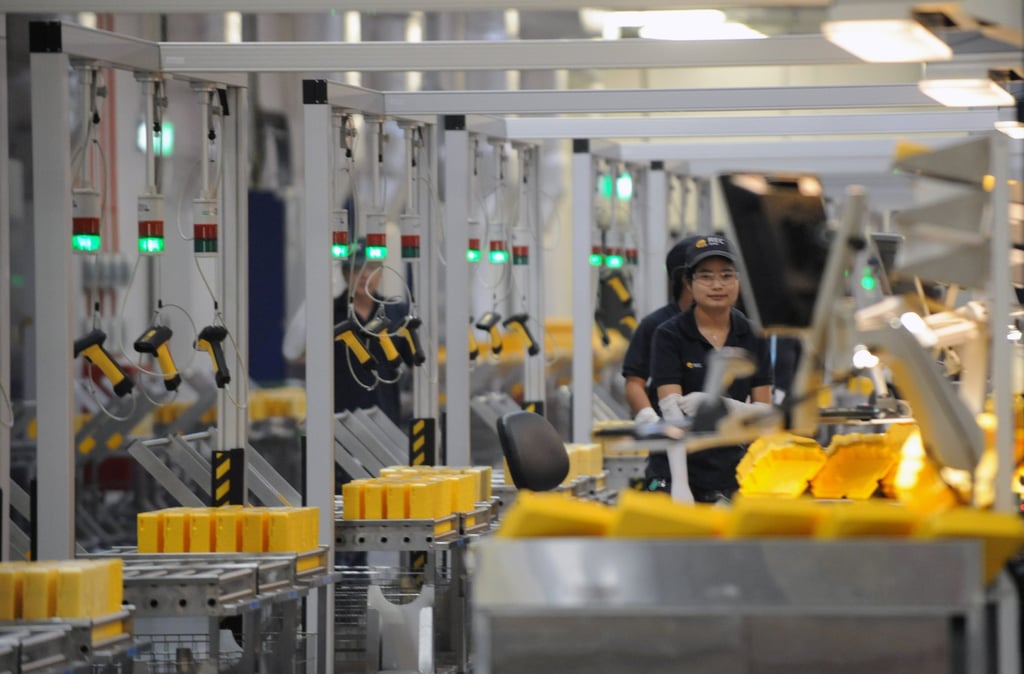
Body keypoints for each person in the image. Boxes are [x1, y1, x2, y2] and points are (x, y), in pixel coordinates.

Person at [648, 235, 773, 502]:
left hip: (731, 470)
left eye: (726, 275)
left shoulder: (753, 335)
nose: (717, 285)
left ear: (738, 281)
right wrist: (679, 483)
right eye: (706, 276)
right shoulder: (669, 334)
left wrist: (723, 407)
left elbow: (765, 415)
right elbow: (672, 410)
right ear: (689, 283)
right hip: (675, 466)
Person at [621, 235, 699, 424]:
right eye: (706, 274)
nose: (716, 284)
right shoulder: (656, 325)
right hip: (670, 433)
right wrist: (651, 420)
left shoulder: (738, 325)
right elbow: (634, 382)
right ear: (685, 279)